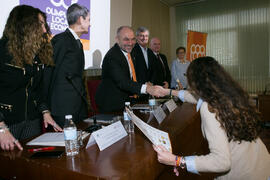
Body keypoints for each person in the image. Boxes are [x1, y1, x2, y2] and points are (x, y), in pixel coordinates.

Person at [154, 56, 270, 179]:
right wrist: (168, 92)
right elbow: (195, 97)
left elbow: (221, 162)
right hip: (261, 165)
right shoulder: (229, 93)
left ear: (195, 81)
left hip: (243, 173)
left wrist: (177, 161)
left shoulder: (209, 108)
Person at [0, 5, 62, 151]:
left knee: (31, 168)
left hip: (32, 121)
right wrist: (1, 129)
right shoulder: (2, 51)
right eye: (40, 24)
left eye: (44, 24)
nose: (45, 30)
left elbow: (37, 90)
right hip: (7, 124)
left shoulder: (35, 55)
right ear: (24, 26)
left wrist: (45, 112)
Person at [95, 26, 167, 113]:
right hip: (112, 104)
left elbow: (133, 76)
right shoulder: (112, 56)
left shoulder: (130, 53)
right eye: (126, 39)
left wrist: (145, 83)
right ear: (117, 39)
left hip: (128, 102)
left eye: (133, 39)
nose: (130, 43)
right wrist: (147, 89)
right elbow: (123, 82)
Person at [45, 3, 90, 127]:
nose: (90, 24)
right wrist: (45, 108)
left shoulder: (78, 43)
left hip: (78, 106)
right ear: (80, 19)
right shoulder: (61, 40)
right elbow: (49, 73)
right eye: (88, 20)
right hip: (63, 108)